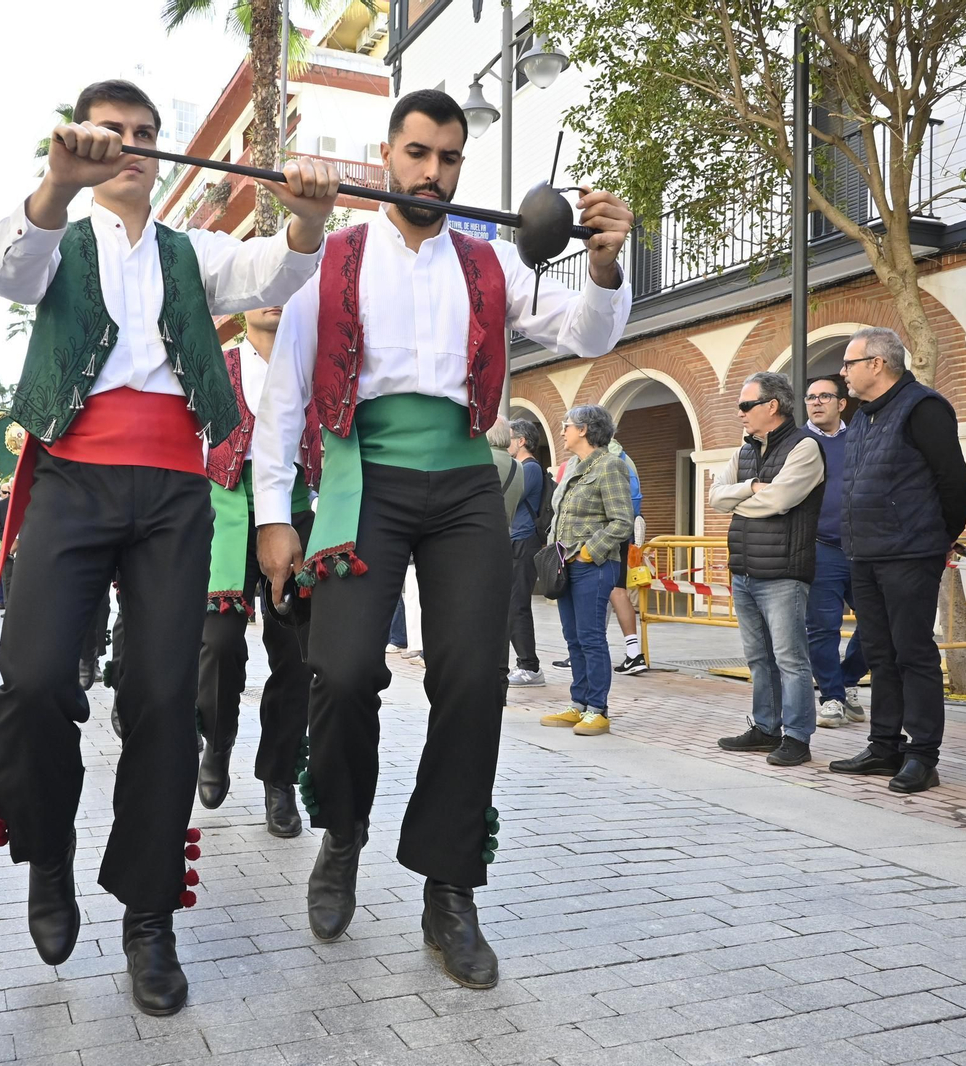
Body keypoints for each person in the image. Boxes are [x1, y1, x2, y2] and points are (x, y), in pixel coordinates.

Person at [0, 78, 339, 1015]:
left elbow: (277, 274)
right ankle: (46, 851)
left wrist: (305, 223)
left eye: (145, 134)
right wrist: (54, 187)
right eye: (111, 133)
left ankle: (149, 918)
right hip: (73, 479)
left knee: (164, 700)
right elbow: (7, 272)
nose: (130, 145)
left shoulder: (191, 251)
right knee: (38, 676)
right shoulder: (57, 236)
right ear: (82, 144)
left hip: (176, 490)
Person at [253, 89, 632, 990]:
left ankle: (449, 886)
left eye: (449, 158)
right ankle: (342, 835)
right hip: (362, 480)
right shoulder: (327, 260)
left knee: (474, 679)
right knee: (342, 673)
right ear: (387, 154)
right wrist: (274, 516)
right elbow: (284, 399)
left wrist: (607, 268)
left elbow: (583, 334)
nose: (432, 171)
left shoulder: (492, 261)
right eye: (418, 153)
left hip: (466, 479)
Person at [831, 327, 966, 794]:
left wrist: (938, 537)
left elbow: (954, 482)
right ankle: (883, 746)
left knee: (913, 653)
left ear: (877, 364)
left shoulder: (922, 407)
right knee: (880, 653)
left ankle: (922, 756)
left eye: (849, 363)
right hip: (866, 553)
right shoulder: (866, 417)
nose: (842, 372)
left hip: (911, 552)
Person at [196, 305, 317, 837]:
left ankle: (278, 777)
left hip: (294, 511)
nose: (273, 298)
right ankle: (217, 741)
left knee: (295, 657)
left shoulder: (312, 363)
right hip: (224, 512)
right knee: (218, 642)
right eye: (262, 288)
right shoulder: (213, 364)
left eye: (284, 288)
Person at [710, 372, 826, 767]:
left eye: (746, 406)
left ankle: (797, 737)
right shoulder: (742, 453)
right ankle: (765, 728)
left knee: (790, 659)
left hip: (783, 574)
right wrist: (751, 488)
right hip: (743, 570)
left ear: (771, 406)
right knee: (759, 657)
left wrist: (745, 496)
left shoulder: (805, 448)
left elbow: (778, 502)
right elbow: (714, 497)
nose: (740, 414)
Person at [540, 405, 634, 737]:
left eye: (566, 425)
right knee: (573, 638)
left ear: (584, 429)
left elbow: (623, 521)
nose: (562, 430)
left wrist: (588, 553)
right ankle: (578, 704)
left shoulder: (609, 466)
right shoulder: (575, 467)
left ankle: (598, 708)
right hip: (565, 565)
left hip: (593, 565)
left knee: (592, 638)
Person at [803, 375, 868, 728]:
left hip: (863, 547)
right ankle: (831, 697)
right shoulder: (797, 442)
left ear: (842, 403)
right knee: (823, 628)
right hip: (820, 548)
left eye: (824, 396)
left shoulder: (861, 437)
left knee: (878, 622)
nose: (816, 403)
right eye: (810, 397)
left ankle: (845, 681)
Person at [505, 420, 545, 686]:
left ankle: (529, 666)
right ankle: (523, 664)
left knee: (518, 605)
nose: (506, 443)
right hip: (515, 541)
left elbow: (509, 496)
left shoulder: (530, 469)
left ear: (521, 441)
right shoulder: (522, 468)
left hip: (524, 541)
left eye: (509, 438)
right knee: (510, 605)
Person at [605, 438, 648, 676]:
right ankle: (633, 653)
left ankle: (586, 653)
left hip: (603, 534)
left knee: (598, 591)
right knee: (617, 590)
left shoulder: (602, 460)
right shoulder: (624, 457)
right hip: (624, 531)